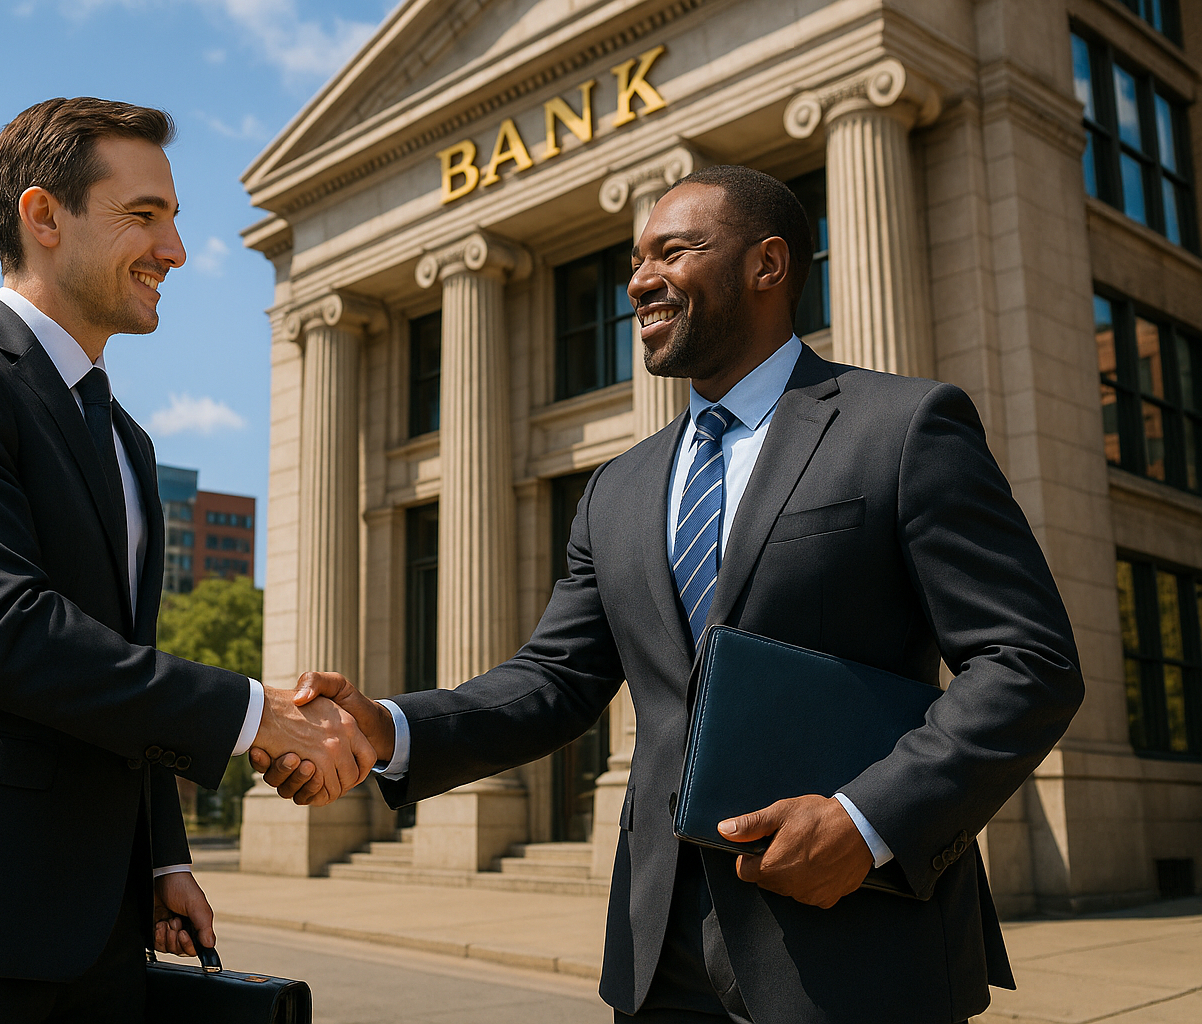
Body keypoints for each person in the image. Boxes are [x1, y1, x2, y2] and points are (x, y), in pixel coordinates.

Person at [255, 165, 1084, 1024]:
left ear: (768, 265)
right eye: (636, 258)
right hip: (658, 959)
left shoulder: (904, 428)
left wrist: (867, 820)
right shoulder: (618, 487)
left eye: (673, 251)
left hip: (858, 939)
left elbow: (1027, 662)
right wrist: (388, 728)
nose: (639, 279)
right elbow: (555, 680)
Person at [0, 97, 377, 1024]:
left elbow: (115, 661)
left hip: (98, 932)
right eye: (145, 216)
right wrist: (255, 713)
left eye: (174, 220)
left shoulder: (127, 442)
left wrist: (163, 857)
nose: (176, 251)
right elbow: (2, 632)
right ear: (44, 217)